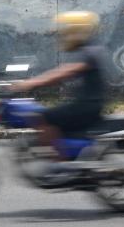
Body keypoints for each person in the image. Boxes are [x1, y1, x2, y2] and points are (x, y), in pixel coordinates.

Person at [10, 11, 107, 153]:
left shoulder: (89, 52)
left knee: (43, 117)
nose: (63, 35)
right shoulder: (88, 50)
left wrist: (30, 83)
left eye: (67, 31)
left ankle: (58, 162)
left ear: (76, 31)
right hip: (87, 105)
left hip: (87, 107)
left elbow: (64, 72)